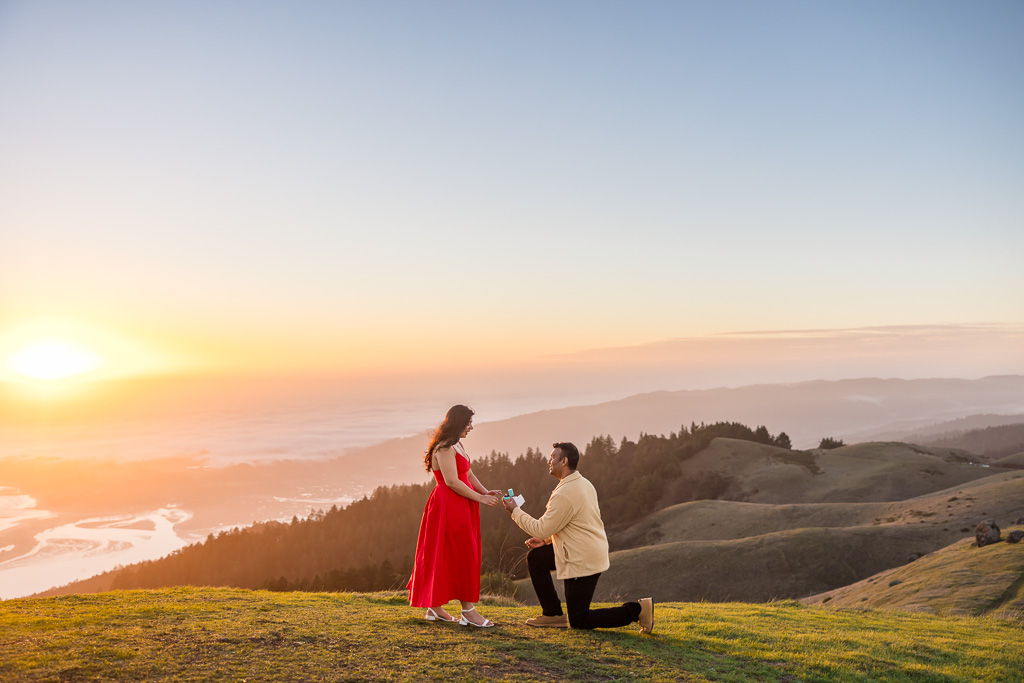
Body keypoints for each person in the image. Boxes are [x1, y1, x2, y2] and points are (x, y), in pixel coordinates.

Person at [503, 442, 654, 634]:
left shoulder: (565, 493)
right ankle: (552, 614)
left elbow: (540, 528)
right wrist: (547, 540)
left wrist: (514, 511)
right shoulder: (582, 483)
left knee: (579, 620)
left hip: (581, 557)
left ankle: (638, 611)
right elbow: (571, 523)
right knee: (536, 558)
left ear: (564, 461)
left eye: (552, 457)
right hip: (579, 549)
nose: (549, 461)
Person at [407, 405, 502, 627]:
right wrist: (480, 499)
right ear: (458, 422)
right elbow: (451, 482)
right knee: (461, 554)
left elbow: (467, 472)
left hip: (462, 503)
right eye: (468, 423)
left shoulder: (457, 444)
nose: (471, 427)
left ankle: (435, 608)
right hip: (449, 505)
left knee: (452, 554)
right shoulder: (444, 448)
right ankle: (467, 611)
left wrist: (484, 491)